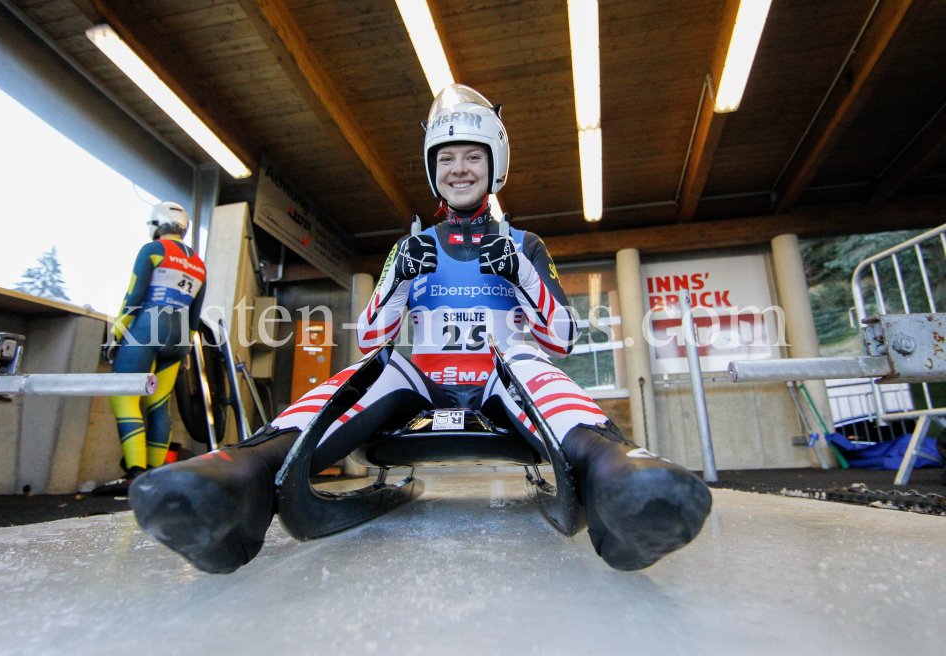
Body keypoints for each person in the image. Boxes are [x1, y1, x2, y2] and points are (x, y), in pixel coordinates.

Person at [129, 85, 712, 573]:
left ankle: (615, 471)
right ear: (435, 170)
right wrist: (395, 280)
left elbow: (562, 339)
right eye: (447, 159)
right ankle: (246, 472)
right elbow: (372, 337)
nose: (460, 169)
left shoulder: (525, 244)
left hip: (499, 380)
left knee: (533, 365)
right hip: (422, 379)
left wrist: (521, 275)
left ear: (495, 165)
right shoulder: (411, 246)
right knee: (370, 370)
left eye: (473, 157)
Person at [94, 202, 207, 496]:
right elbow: (195, 315)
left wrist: (115, 335)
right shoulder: (199, 263)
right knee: (158, 405)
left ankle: (135, 474)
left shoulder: (153, 250)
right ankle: (156, 478)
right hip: (181, 337)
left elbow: (134, 295)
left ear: (158, 224)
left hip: (148, 327)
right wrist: (183, 352)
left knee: (125, 398)